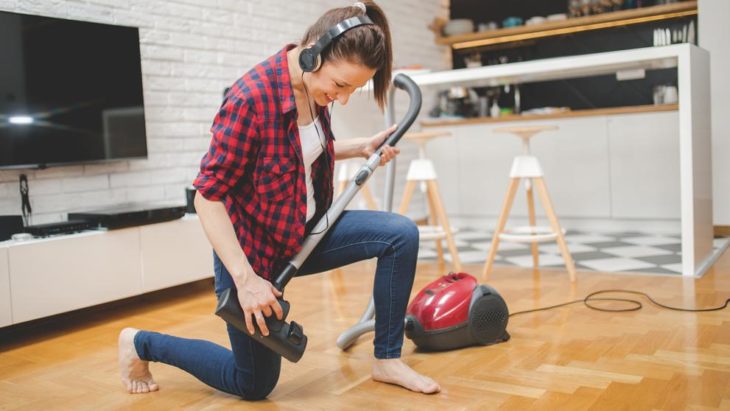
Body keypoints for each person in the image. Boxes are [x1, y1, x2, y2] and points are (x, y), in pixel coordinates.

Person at [118, 1, 440, 399]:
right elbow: (207, 197)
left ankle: (387, 358)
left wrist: (359, 147)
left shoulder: (313, 87)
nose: (340, 98)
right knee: (253, 384)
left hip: (305, 232)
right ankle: (142, 343)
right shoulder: (249, 100)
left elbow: (296, 150)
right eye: (340, 85)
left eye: (351, 91)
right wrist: (246, 280)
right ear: (312, 53)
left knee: (400, 234)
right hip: (253, 254)